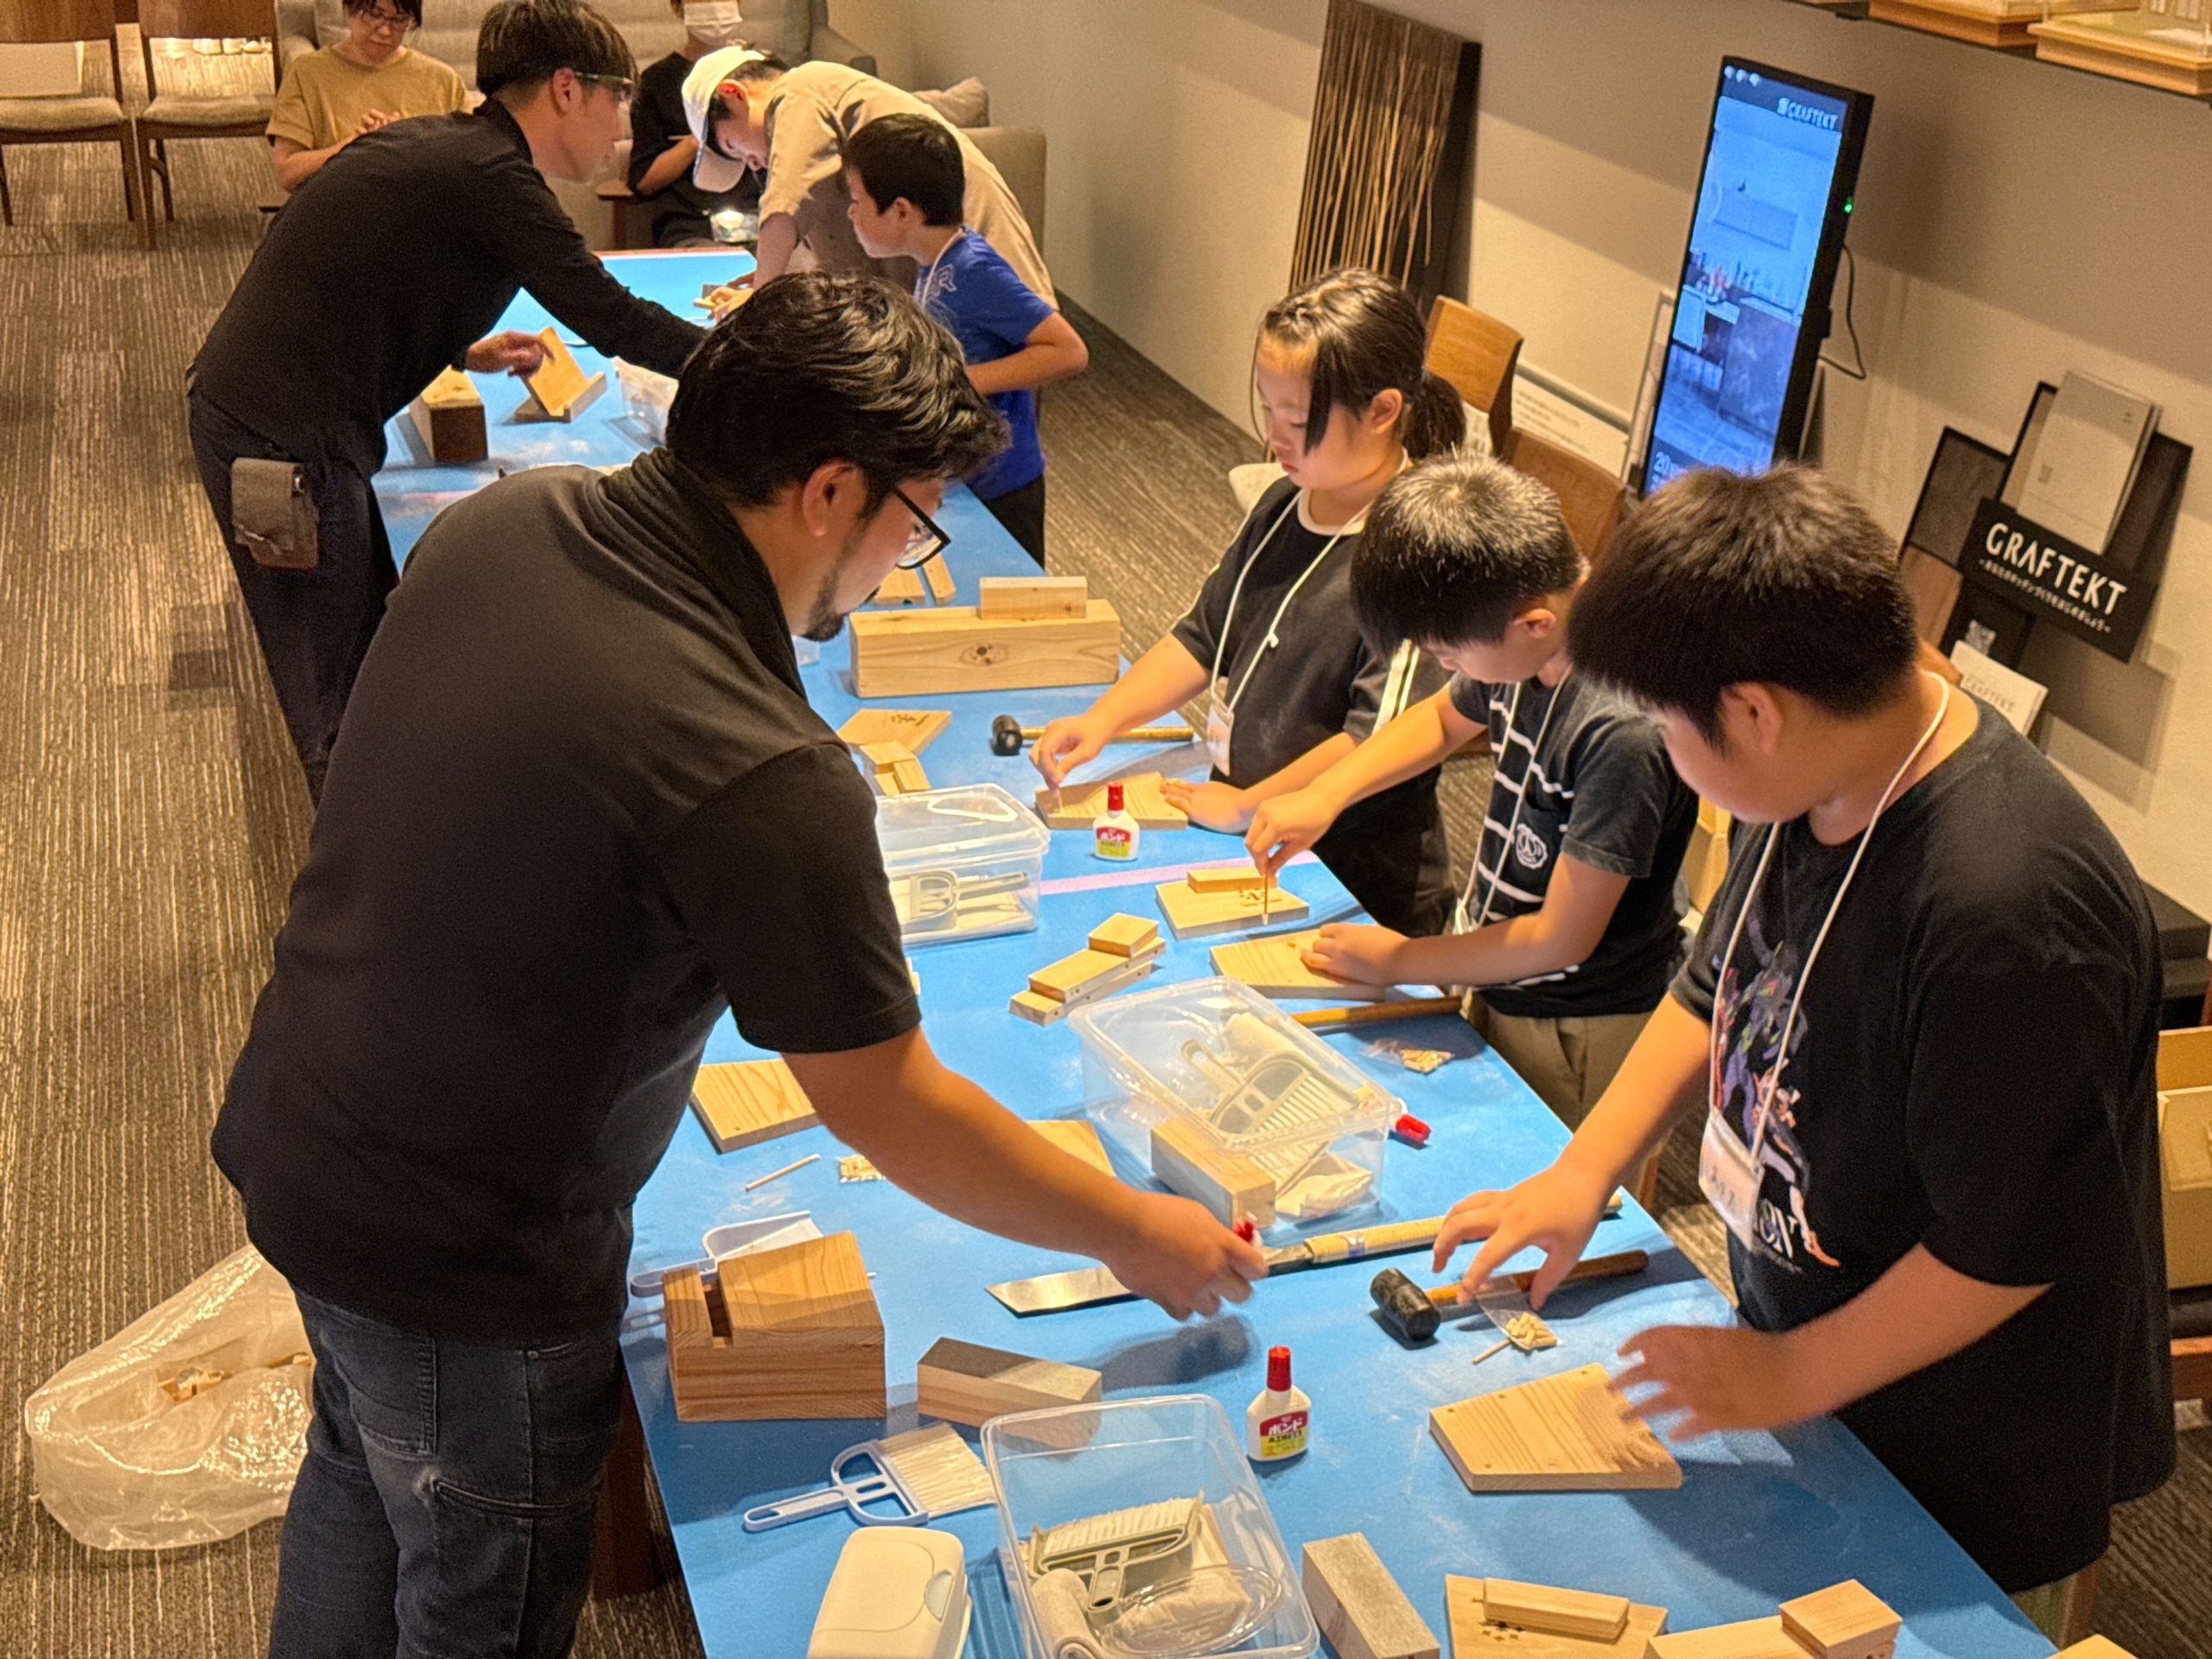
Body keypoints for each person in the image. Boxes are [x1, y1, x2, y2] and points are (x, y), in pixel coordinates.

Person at [214, 272, 1266, 1659]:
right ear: (829, 493)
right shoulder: (758, 760)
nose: (904, 562)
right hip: (463, 1258)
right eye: (913, 524)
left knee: (360, 1472)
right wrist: (1138, 1231)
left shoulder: (510, 518)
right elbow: (892, 1107)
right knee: (472, 1591)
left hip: (301, 1130)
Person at [1430, 466, 2173, 1618]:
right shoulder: (1813, 776)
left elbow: (2008, 1248)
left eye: (1667, 727)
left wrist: (1788, 1373)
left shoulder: (2008, 913)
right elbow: (1715, 983)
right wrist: (1583, 1171)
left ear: (1753, 713)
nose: (1665, 749)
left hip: (1964, 1445)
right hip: (1819, 1357)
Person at [189, 0, 705, 801]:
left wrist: (463, 349)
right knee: (332, 686)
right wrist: (757, 362)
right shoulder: (494, 179)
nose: (618, 129)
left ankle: (382, 823)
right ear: (567, 88)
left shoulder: (450, 149)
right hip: (278, 441)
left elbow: (362, 271)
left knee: (365, 639)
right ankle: (356, 856)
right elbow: (613, 317)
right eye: (618, 99)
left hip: (269, 415)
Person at [1247, 454, 1697, 1152]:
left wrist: (1402, 960)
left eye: (1449, 655)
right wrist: (1325, 794)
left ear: (1534, 623)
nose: (1445, 667)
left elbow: (1562, 939)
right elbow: (1440, 720)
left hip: (1579, 1020)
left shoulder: (1620, 730)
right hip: (1502, 968)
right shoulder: (1521, 639)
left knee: (1548, 1168)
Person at [1031, 268, 1457, 937]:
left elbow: (1372, 741)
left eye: (1299, 419)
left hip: (1353, 880)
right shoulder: (1285, 501)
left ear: (1382, 412)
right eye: (1268, 409)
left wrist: (1248, 804)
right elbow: (1203, 637)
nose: (1276, 436)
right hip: (1251, 831)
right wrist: (1102, 720)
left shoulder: (1416, 555)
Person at [843, 112, 1088, 565]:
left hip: (1003, 485)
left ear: (901, 211)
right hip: (967, 476)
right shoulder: (935, 262)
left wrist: (958, 380)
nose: (850, 213)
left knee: (1010, 593)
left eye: (857, 200)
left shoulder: (974, 270)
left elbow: (1068, 351)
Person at [683, 53, 1051, 299]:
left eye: (733, 147)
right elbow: (834, 247)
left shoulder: (799, 90)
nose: (752, 164)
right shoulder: (818, 122)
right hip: (942, 271)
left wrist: (758, 298)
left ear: (734, 94)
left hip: (973, 257)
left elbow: (785, 205)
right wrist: (771, 279)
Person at [265, 0, 466, 194]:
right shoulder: (307, 73)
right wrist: (354, 147)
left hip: (421, 205)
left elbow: (467, 165)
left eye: (399, 20)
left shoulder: (443, 80)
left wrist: (405, 144)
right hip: (339, 203)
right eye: (374, 14)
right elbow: (288, 174)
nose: (385, 31)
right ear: (350, 7)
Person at [626, 25, 760, 245]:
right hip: (692, 226)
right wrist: (701, 134)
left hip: (758, 221)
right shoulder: (656, 81)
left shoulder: (760, 75)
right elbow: (644, 181)